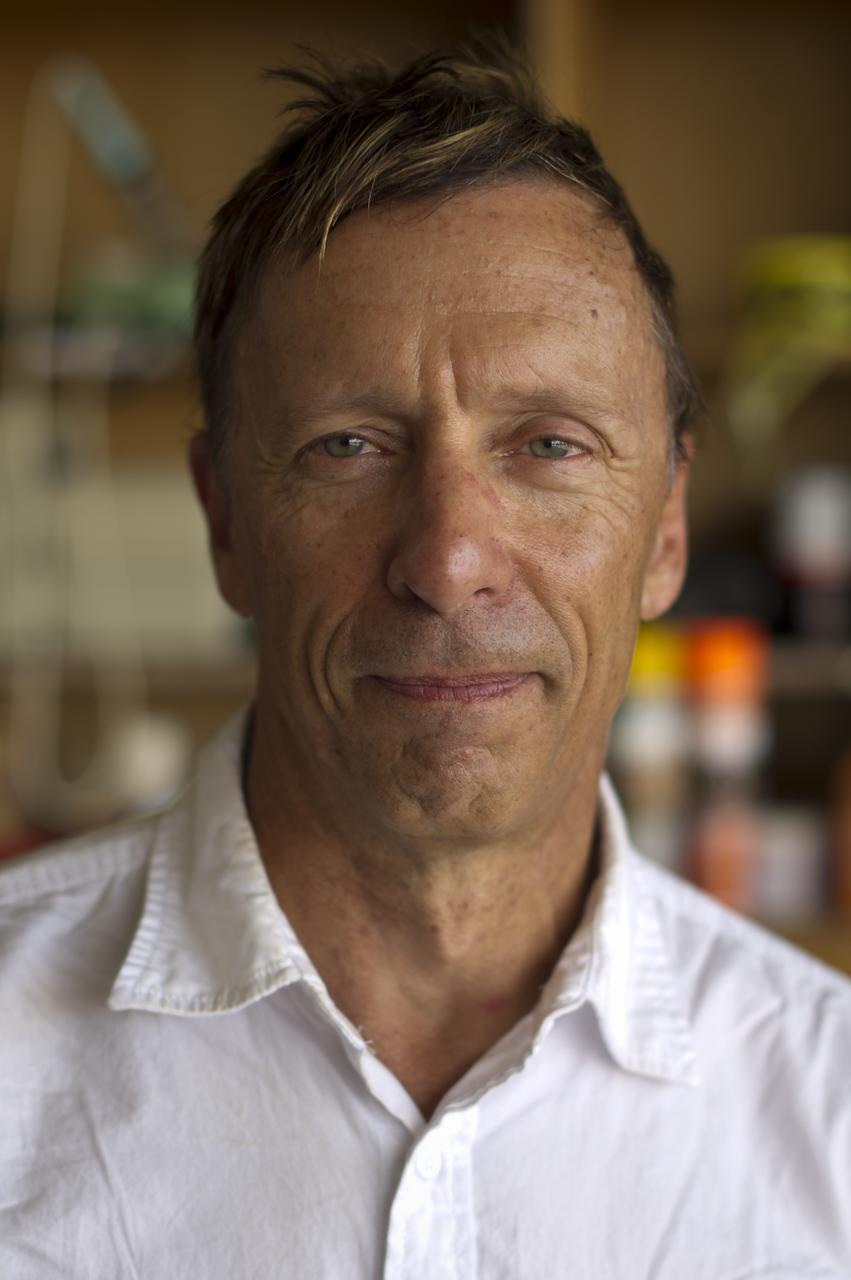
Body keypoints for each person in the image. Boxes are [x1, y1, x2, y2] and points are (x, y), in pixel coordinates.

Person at [1, 41, 849, 1279]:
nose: (449, 559)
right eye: (347, 445)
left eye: (549, 445)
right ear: (224, 522)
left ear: (665, 529)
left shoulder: (827, 1109)